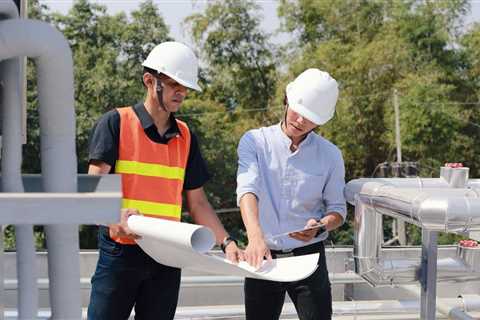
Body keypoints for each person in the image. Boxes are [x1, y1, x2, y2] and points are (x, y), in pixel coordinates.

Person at [87, 41, 242, 320]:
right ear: (150, 81)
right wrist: (115, 218)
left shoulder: (185, 135)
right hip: (120, 254)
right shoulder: (116, 123)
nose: (181, 93)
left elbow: (198, 202)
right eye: (174, 85)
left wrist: (227, 242)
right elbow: (92, 190)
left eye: (185, 88)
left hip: (167, 256)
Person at [236, 68, 346, 320]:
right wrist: (255, 237)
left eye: (310, 117)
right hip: (262, 257)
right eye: (298, 111)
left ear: (321, 121)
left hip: (309, 258)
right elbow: (247, 189)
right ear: (286, 100)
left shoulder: (330, 155)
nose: (300, 120)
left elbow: (338, 210)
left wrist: (320, 226)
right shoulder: (255, 141)